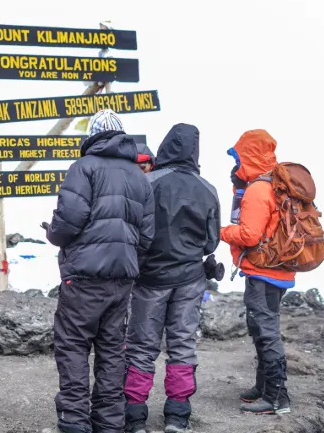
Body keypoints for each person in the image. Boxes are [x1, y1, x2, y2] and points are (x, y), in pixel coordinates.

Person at [41, 109, 155, 433]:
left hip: (84, 278)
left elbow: (69, 220)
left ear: (92, 135)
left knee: (73, 347)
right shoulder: (140, 177)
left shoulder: (83, 167)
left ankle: (76, 423)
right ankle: (109, 424)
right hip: (121, 281)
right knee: (111, 352)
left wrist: (53, 234)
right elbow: (146, 236)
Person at [123, 124, 220, 433]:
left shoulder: (147, 183)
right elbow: (212, 242)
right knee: (182, 345)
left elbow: (134, 231)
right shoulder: (208, 188)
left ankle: (135, 416)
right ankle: (177, 416)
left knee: (141, 347)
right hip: (190, 278)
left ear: (165, 147)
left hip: (149, 278)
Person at [220, 129, 293, 415]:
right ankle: (264, 387)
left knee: (266, 332)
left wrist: (219, 232)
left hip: (264, 272)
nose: (236, 164)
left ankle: (276, 397)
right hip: (278, 270)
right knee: (263, 328)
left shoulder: (258, 190)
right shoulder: (274, 183)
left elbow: (249, 235)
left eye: (238, 157)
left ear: (248, 155)